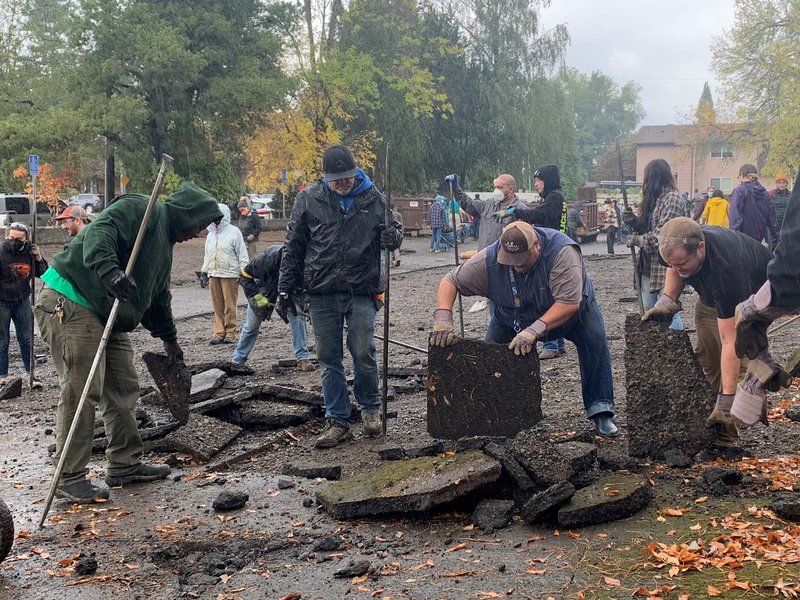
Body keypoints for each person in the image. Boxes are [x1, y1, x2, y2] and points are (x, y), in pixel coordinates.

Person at [34, 182, 221, 503]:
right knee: (83, 388)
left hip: (107, 312)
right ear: (187, 213)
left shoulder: (164, 249)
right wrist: (110, 273)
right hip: (71, 298)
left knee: (123, 387)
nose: (199, 232)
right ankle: (69, 476)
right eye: (200, 224)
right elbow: (96, 235)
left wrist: (170, 341)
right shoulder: (140, 208)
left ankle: (124, 464)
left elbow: (159, 299)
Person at [430, 221, 618, 437]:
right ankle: (495, 415)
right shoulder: (489, 259)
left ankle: (601, 410)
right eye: (510, 261)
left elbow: (568, 302)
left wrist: (534, 330)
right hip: (511, 317)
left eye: (521, 259)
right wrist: (443, 317)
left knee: (594, 341)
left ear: (536, 245)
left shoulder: (562, 253)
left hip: (572, 313)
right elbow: (450, 280)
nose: (516, 265)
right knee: (491, 356)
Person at [278, 144, 403, 448]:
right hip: (321, 291)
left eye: (346, 178)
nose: (341, 184)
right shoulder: (309, 199)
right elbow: (293, 244)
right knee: (328, 358)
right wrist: (285, 287)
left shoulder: (375, 200)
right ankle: (338, 419)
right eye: (335, 180)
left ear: (355, 171)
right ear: (325, 177)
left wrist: (393, 237)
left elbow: (395, 230)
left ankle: (371, 410)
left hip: (362, 288)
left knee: (363, 351)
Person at [642, 217, 774, 460]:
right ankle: (709, 423)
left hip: (750, 300)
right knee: (707, 360)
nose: (677, 268)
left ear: (700, 248)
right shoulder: (677, 242)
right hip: (709, 297)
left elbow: (729, 343)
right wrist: (668, 301)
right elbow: (673, 266)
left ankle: (727, 436)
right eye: (673, 263)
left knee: (737, 362)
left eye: (683, 263)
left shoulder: (727, 271)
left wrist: (726, 398)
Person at [735, 171, 800, 432]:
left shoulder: (740, 192)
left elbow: (796, 239)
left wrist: (776, 291)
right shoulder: (767, 195)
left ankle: (760, 367)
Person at [622, 158, 690, 330]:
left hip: (665, 266)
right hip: (647, 265)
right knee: (648, 314)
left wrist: (639, 240)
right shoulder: (653, 201)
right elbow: (648, 227)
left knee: (667, 313)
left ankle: (677, 349)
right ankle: (658, 353)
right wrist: (634, 223)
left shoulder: (672, 199)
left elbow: (664, 236)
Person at [232, 244, 316, 372]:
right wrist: (258, 298)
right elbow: (244, 274)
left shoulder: (303, 261)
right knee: (251, 325)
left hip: (290, 291)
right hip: (264, 290)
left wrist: (306, 303)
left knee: (297, 318)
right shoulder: (269, 258)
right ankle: (237, 360)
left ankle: (302, 358)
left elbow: (307, 284)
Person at [0, 223, 47, 389]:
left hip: (22, 300)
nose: (14, 242)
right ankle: (2, 377)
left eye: (18, 239)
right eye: (11, 238)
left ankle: (31, 375)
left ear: (26, 239)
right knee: (2, 340)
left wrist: (39, 257)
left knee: (26, 339)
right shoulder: (1, 252)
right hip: (2, 301)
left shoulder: (29, 252)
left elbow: (43, 273)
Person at [200, 204, 249, 344]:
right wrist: (204, 271)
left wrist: (243, 271)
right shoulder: (210, 234)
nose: (216, 219)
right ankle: (219, 332)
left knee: (229, 305)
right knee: (217, 305)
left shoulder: (234, 232)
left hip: (230, 273)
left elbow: (242, 254)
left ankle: (230, 332)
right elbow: (207, 255)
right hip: (214, 272)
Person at [446, 173, 529, 250]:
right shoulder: (488, 205)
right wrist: (455, 187)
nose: (496, 191)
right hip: (484, 257)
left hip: (505, 261)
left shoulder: (522, 211)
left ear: (511, 189)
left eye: (500, 187)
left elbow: (526, 241)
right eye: (495, 187)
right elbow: (468, 203)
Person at [729, 164, 780, 248]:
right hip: (759, 242)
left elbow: (735, 218)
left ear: (741, 174)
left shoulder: (739, 191)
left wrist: (734, 241)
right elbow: (773, 221)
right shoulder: (765, 193)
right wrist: (776, 240)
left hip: (742, 242)